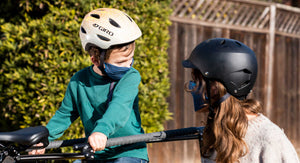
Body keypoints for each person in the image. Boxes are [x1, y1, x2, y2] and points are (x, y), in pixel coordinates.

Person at [29, 8, 149, 163]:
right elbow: (64, 115)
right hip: (95, 154)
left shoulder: (130, 76)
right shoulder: (79, 81)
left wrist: (101, 131)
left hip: (128, 152)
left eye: (130, 59)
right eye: (120, 62)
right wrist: (44, 138)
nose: (127, 66)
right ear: (95, 60)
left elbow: (119, 108)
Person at [182, 38, 299, 163]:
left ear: (217, 86)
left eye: (197, 80)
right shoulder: (214, 131)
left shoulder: (269, 140)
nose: (192, 86)